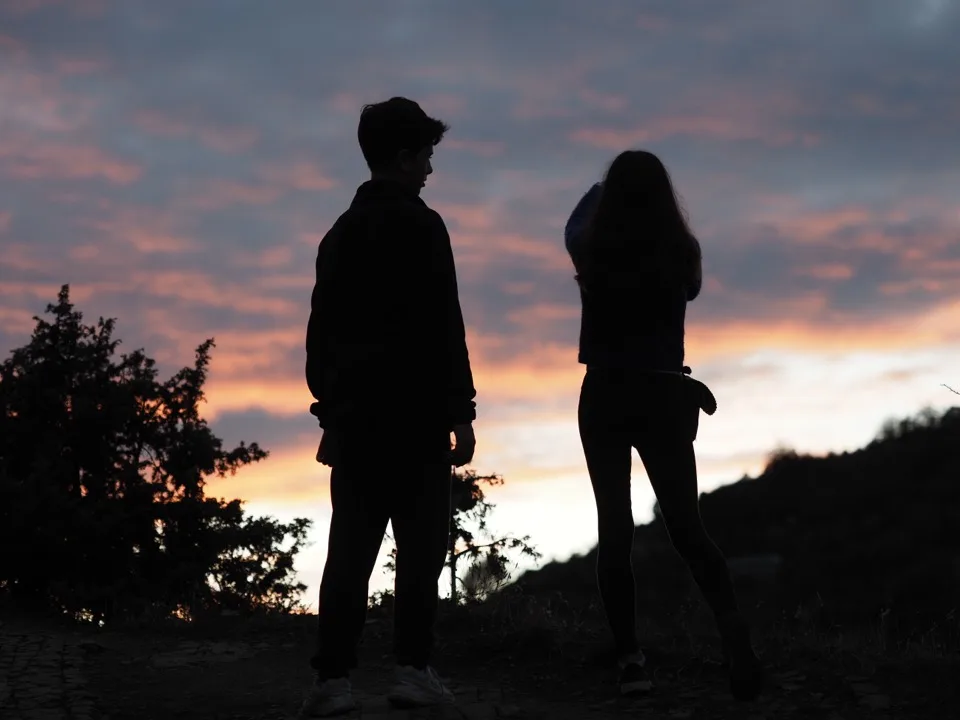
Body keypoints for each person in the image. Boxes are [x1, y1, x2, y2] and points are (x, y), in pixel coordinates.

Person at [299, 96, 478, 718]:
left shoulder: (339, 234)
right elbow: (443, 325)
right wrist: (463, 410)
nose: (430, 168)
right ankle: (412, 668)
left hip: (355, 422)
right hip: (419, 417)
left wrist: (329, 408)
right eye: (426, 155)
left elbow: (319, 338)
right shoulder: (425, 227)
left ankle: (332, 681)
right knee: (422, 549)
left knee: (349, 550)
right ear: (404, 158)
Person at [564, 150, 764, 702]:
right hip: (663, 394)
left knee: (615, 530)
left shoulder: (593, 248)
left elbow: (577, 219)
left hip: (605, 392)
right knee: (687, 527)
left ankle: (631, 661)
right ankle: (735, 643)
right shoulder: (682, 252)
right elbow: (693, 289)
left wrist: (604, 185)